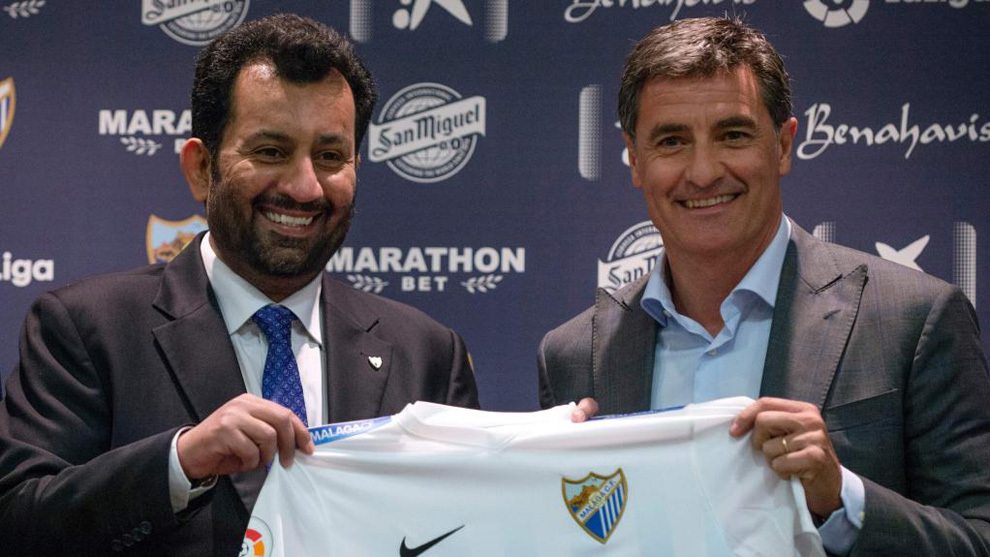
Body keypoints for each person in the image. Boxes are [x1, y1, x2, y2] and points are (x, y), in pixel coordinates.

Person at [0, 14, 478, 557]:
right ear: (202, 168)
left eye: (330, 157)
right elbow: (17, 523)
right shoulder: (88, 328)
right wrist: (179, 463)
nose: (304, 187)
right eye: (271, 152)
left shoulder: (428, 351)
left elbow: (471, 532)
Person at [538, 16, 990, 556]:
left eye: (733, 134)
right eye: (672, 141)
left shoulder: (915, 319)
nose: (703, 171)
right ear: (635, 160)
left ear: (783, 144)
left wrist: (840, 496)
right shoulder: (571, 354)